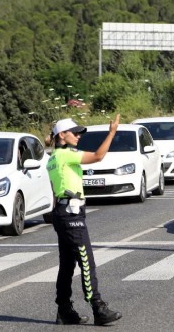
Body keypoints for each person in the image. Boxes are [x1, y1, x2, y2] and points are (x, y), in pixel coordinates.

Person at [46, 115, 122, 326]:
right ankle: (98, 307)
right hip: (71, 213)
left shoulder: (52, 158)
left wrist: (56, 215)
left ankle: (64, 310)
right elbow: (98, 156)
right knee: (86, 261)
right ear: (62, 135)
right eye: (75, 132)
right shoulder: (65, 155)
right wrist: (112, 133)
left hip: (62, 211)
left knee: (67, 264)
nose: (78, 136)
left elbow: (54, 190)